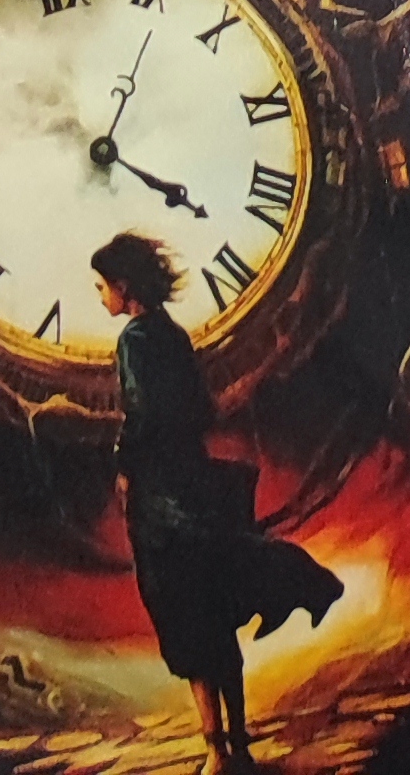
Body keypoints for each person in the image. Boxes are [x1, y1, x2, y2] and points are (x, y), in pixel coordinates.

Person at [93, 231, 340, 775]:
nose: (100, 296)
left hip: (160, 501)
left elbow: (140, 414)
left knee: (184, 621)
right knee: (218, 618)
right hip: (196, 482)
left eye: (103, 286)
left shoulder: (134, 340)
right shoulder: (175, 335)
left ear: (125, 287)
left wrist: (126, 467)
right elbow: (201, 411)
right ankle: (239, 744)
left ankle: (214, 751)